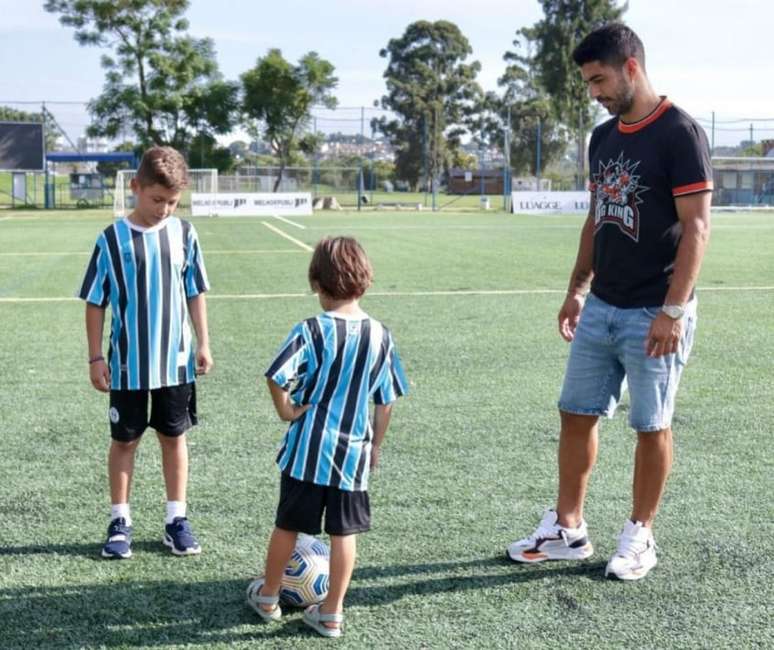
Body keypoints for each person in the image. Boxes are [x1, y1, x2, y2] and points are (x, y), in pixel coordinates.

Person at [506, 22, 713, 580]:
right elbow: (596, 218)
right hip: (602, 304)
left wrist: (674, 308)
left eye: (599, 80)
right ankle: (567, 529)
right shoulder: (603, 138)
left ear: (631, 67)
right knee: (576, 414)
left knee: (651, 424)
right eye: (588, 83)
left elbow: (696, 228)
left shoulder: (680, 133)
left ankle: (639, 535)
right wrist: (577, 288)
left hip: (656, 309)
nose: (594, 92)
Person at [247, 236, 408, 637]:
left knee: (287, 524)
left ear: (316, 283)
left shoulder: (310, 330)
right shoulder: (380, 335)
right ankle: (332, 612)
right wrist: (376, 445)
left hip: (307, 450)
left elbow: (276, 375)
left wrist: (286, 410)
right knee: (344, 533)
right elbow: (386, 400)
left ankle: (268, 597)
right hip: (352, 454)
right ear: (365, 280)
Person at [78, 146, 213, 559]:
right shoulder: (112, 239)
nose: (164, 209)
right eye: (157, 200)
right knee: (125, 441)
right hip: (126, 365)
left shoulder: (185, 234)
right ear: (136, 188)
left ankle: (176, 519)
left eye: (173, 202)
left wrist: (203, 342)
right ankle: (120, 521)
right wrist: (95, 356)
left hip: (175, 362)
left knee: (174, 438)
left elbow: (195, 291)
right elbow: (95, 301)